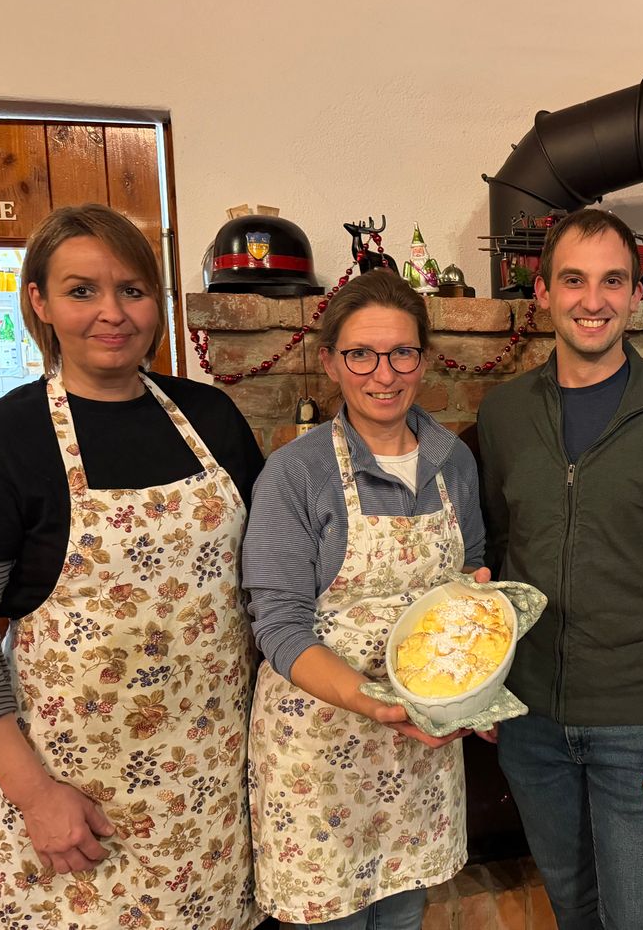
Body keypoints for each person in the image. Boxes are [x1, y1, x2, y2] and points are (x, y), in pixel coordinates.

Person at [0, 204, 264, 929]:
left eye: (131, 290)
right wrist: (35, 796)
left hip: (218, 785)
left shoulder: (211, 417)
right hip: (80, 806)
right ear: (38, 300)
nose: (112, 314)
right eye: (81, 291)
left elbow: (266, 580)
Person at [477, 209, 643, 929]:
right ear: (543, 294)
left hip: (639, 724)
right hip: (528, 719)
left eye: (613, 280)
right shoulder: (503, 415)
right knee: (573, 908)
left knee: (640, 917)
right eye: (574, 280)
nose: (594, 299)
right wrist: (486, 684)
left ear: (636, 293)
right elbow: (496, 554)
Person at [244, 269, 488, 930]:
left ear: (424, 358)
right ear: (330, 362)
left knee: (403, 914)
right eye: (361, 354)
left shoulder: (453, 464)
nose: (384, 374)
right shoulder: (296, 474)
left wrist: (475, 684)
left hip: (420, 756)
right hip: (320, 760)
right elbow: (281, 627)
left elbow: (472, 579)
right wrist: (377, 703)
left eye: (401, 352)